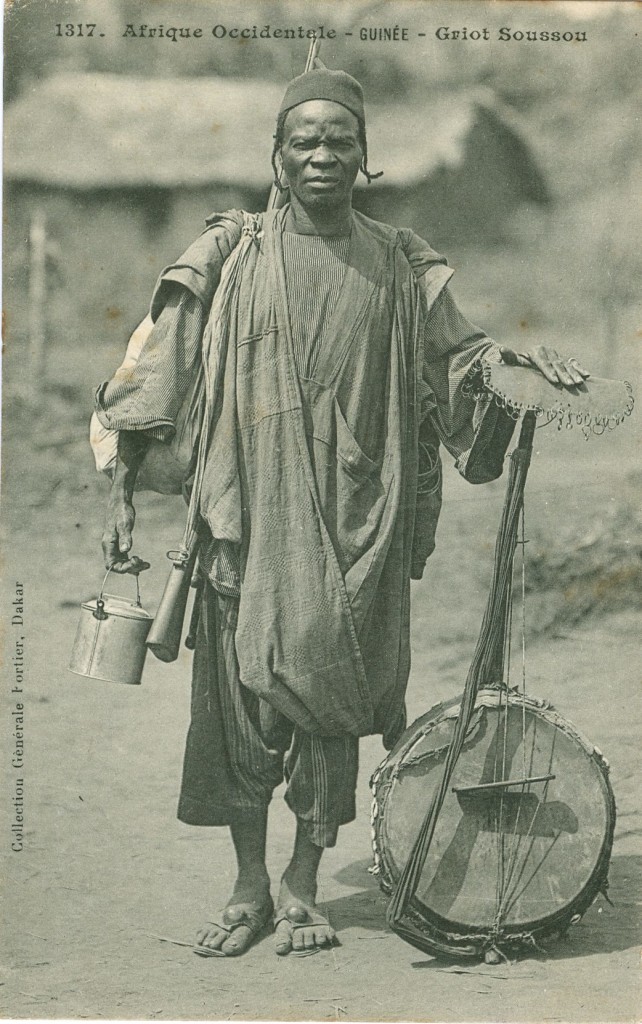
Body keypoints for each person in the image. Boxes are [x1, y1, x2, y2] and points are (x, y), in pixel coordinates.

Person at [95, 68, 589, 958]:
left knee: (331, 712)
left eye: (341, 142)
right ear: (276, 155)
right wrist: (131, 462)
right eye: (304, 141)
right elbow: (153, 365)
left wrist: (517, 376)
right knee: (240, 711)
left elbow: (462, 363)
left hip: (363, 521)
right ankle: (249, 888)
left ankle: (302, 885)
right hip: (245, 519)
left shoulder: (402, 262)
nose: (323, 155)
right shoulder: (228, 254)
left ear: (366, 157)